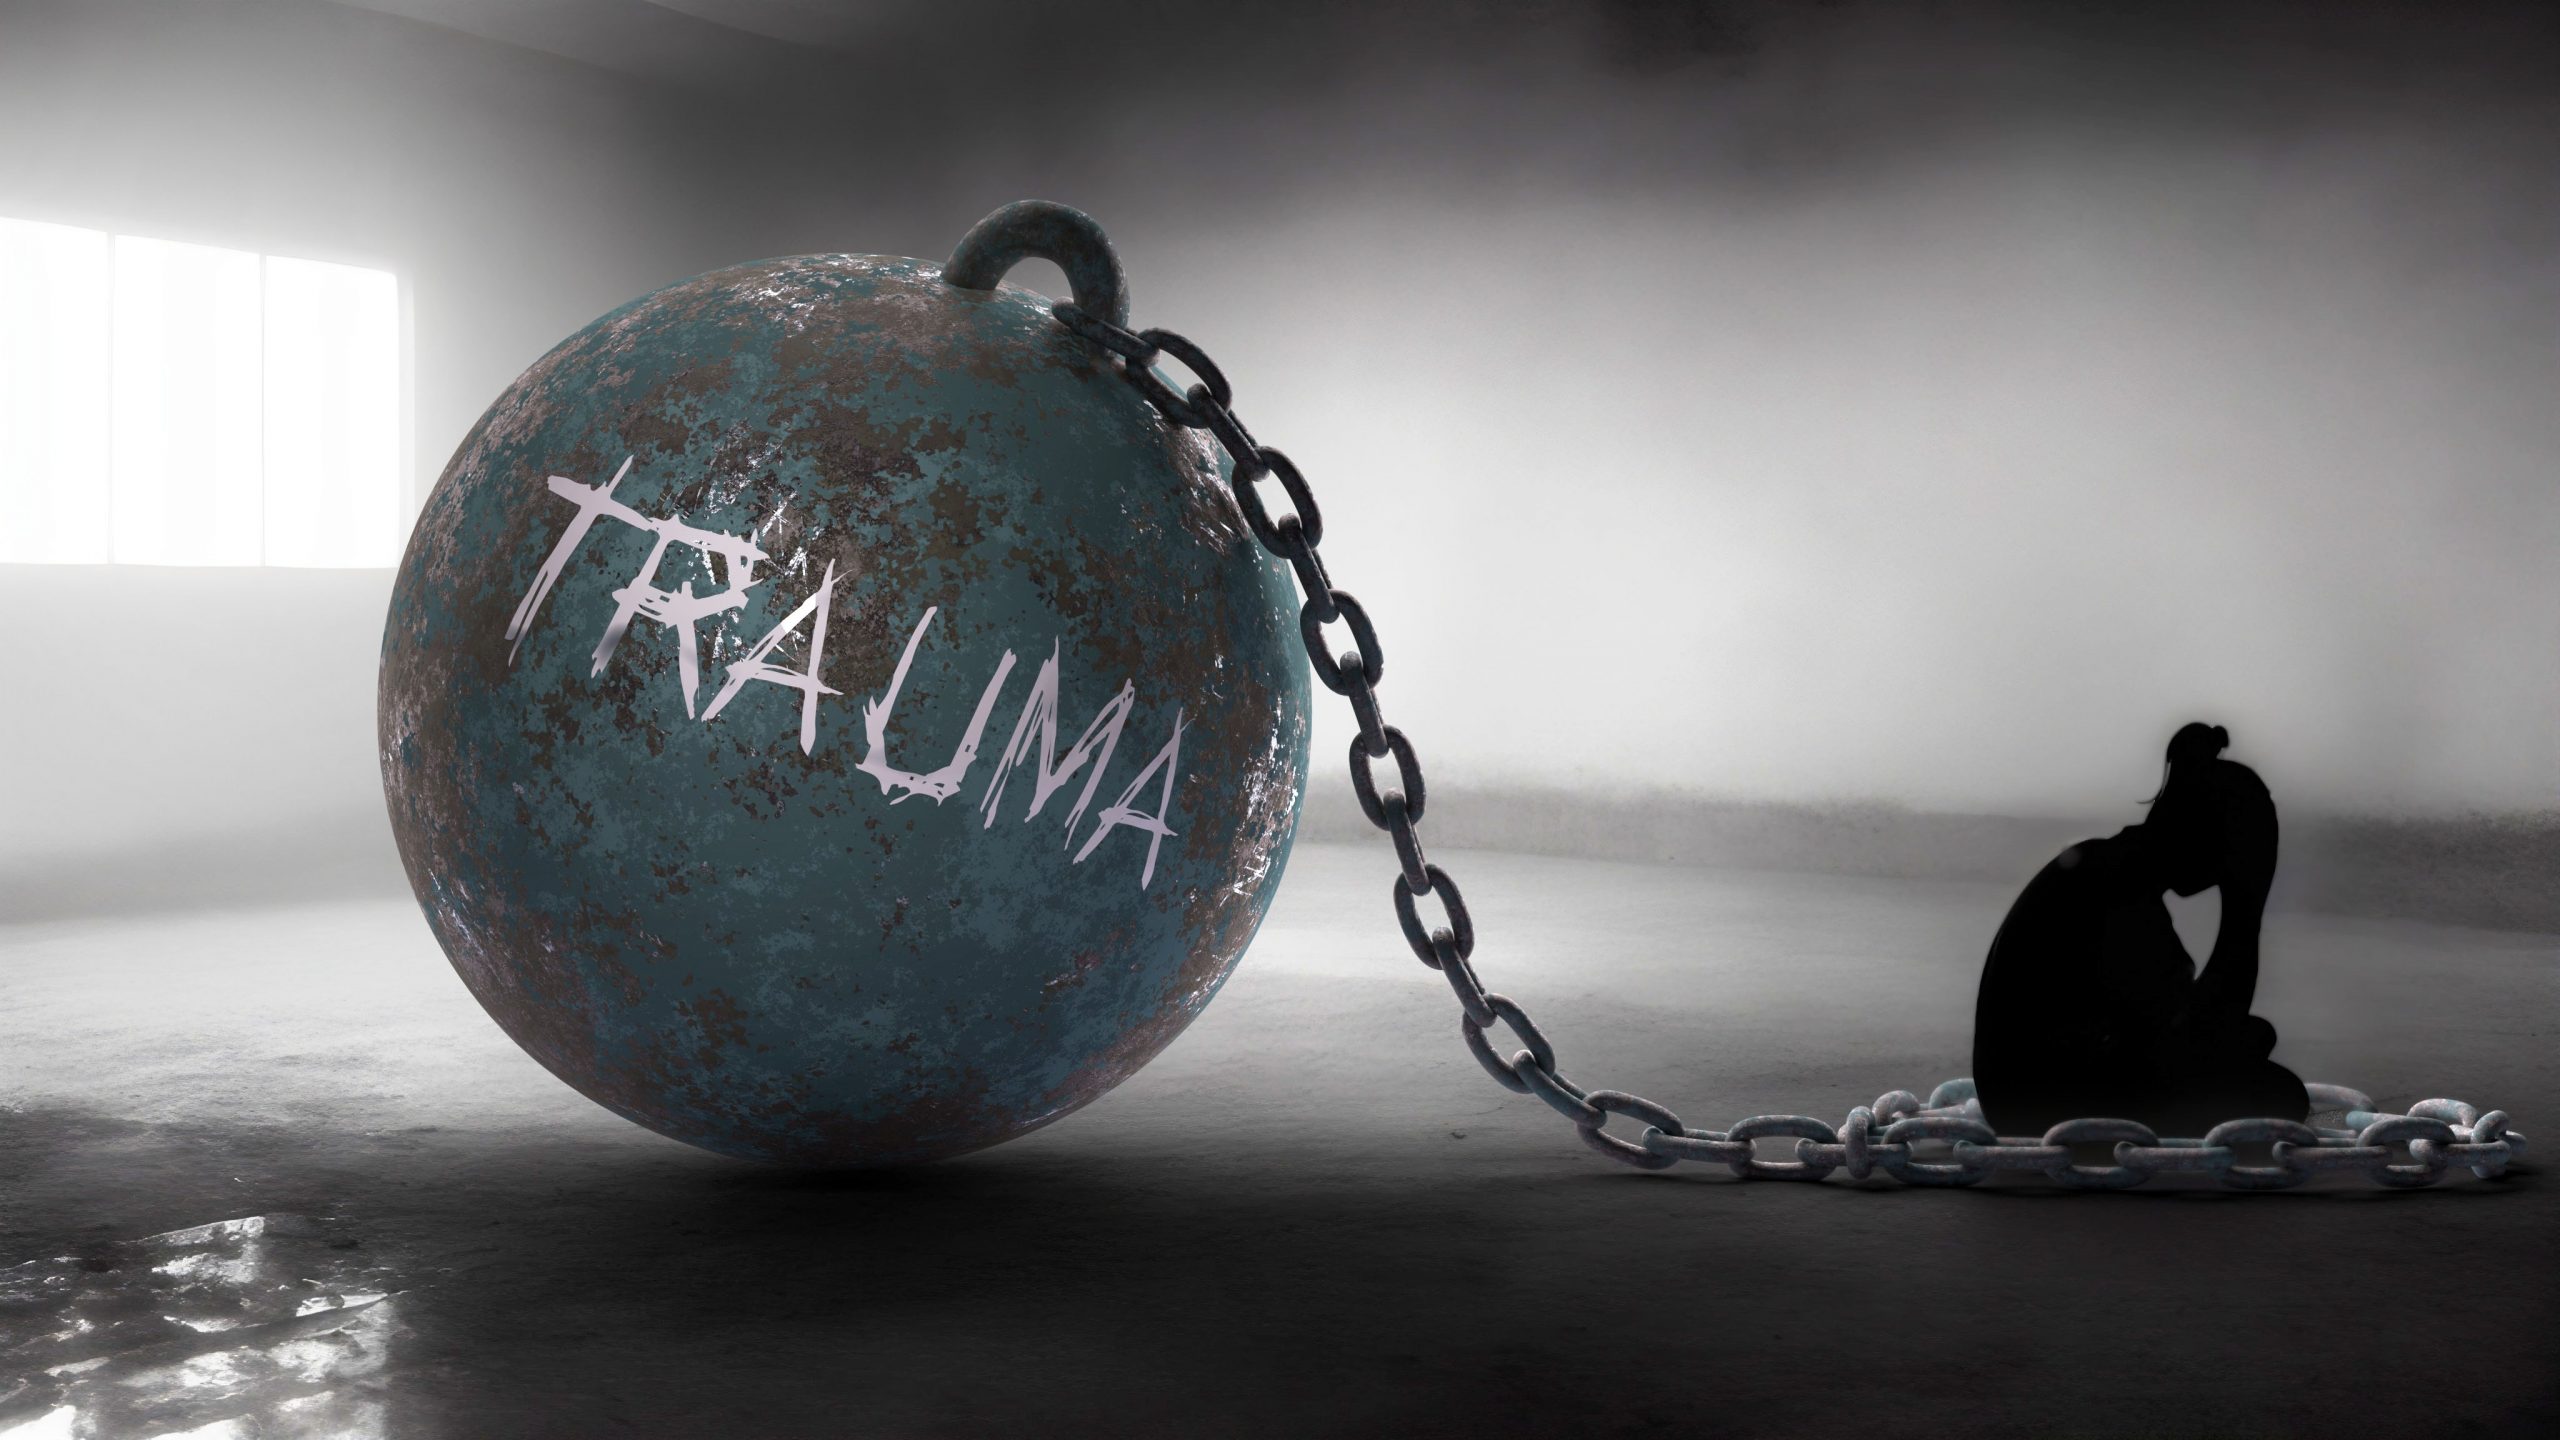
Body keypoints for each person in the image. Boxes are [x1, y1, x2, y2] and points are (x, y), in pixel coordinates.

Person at [1970, 722, 2307, 1138]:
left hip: (2032, 1088)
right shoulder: (2116, 889)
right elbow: (2191, 1037)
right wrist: (2246, 906)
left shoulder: (2110, 869)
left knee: (2255, 1045)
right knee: (2280, 1095)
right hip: (2043, 1104)